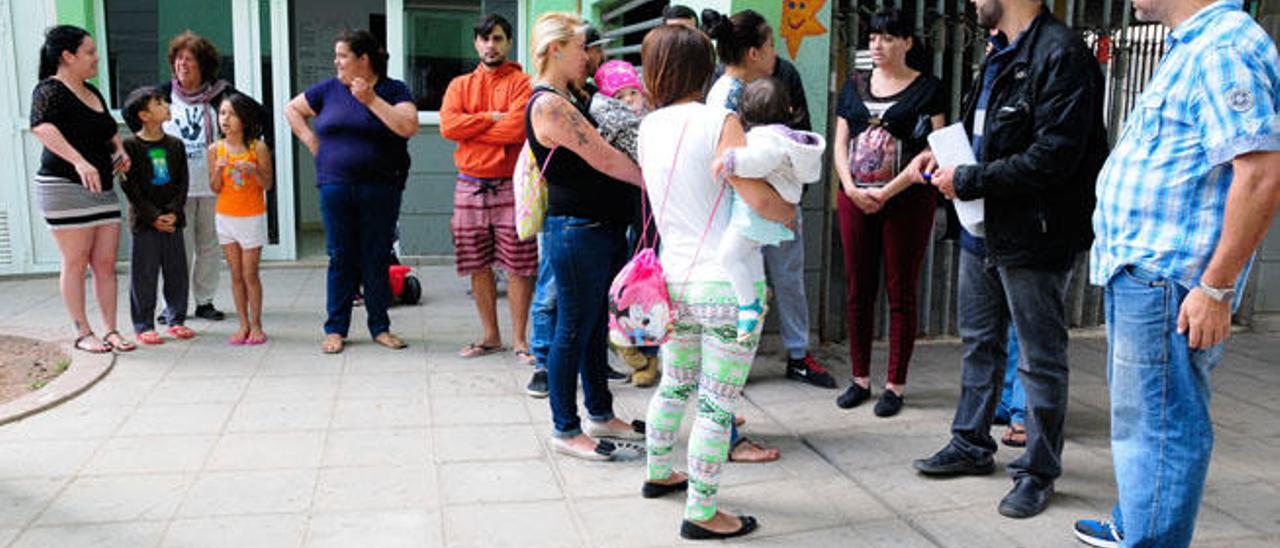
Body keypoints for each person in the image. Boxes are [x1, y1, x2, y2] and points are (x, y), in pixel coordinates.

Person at [1073, 0, 1279, 545]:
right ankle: (1138, 520)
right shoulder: (1195, 45)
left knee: (1159, 429)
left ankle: (1150, 537)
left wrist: (1215, 287)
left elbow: (1259, 174)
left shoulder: (1223, 48)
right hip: (1150, 272)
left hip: (1170, 279)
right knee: (1146, 421)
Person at [913, 0, 1109, 519]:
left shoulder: (1061, 55)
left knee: (1039, 359)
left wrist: (971, 179)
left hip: (1035, 234)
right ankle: (971, 441)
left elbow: (1055, 156)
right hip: (982, 228)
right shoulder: (998, 52)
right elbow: (988, 134)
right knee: (979, 343)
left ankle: (1038, 471)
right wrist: (947, 155)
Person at [638, 24, 796, 541]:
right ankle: (703, 510)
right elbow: (756, 198)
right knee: (715, 400)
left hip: (672, 280)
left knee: (675, 383)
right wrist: (789, 210)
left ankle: (660, 470)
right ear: (702, 66)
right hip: (727, 284)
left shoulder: (648, 127)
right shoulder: (720, 119)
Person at [525, 12, 646, 460]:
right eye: (581, 48)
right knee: (572, 328)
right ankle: (565, 427)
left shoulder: (574, 94)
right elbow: (606, 159)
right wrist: (655, 181)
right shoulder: (548, 105)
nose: (590, 57)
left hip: (600, 227)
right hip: (576, 231)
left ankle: (600, 412)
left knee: (594, 326)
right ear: (555, 50)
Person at [703, 8, 835, 390]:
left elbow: (796, 138)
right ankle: (734, 365)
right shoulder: (726, 97)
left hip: (771, 202)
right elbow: (735, 168)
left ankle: (794, 355)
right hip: (751, 209)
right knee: (745, 286)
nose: (776, 51)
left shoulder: (774, 78)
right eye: (770, 44)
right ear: (753, 53)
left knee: (784, 279)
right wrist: (778, 208)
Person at [832, 8, 946, 417]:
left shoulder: (929, 88)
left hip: (908, 201)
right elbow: (841, 141)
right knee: (858, 288)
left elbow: (935, 149)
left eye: (887, 37)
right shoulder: (855, 84)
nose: (877, 45)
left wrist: (888, 190)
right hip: (855, 199)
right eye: (873, 38)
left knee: (901, 290)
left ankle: (895, 384)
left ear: (907, 43)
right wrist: (848, 186)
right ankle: (859, 377)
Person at [285, 29, 418, 354]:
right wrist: (313, 142)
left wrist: (371, 100)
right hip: (335, 185)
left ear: (364, 59)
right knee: (341, 257)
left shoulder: (392, 89)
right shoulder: (328, 90)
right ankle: (336, 329)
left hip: (381, 186)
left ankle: (380, 327)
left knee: (376, 256)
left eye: (343, 55)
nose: (337, 62)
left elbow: (407, 126)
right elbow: (292, 109)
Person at [29, 25, 135, 354]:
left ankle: (112, 330)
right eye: (89, 52)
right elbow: (41, 127)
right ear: (67, 56)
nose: (96, 57)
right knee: (75, 261)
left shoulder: (93, 91)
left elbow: (106, 129)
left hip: (102, 187)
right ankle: (82, 332)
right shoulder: (49, 90)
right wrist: (78, 161)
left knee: (105, 263)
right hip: (64, 187)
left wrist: (119, 149)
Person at [440, 14, 538, 361]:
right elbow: (448, 126)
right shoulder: (459, 85)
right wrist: (488, 119)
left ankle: (521, 340)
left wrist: (474, 130)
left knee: (519, 264)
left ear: (508, 42)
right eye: (484, 39)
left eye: (497, 38)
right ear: (475, 43)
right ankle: (490, 335)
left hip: (511, 185)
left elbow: (515, 130)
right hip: (469, 184)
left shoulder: (523, 83)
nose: (490, 45)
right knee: (476, 263)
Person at [712, 78, 825, 341]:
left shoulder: (766, 138)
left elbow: (758, 161)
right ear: (787, 108)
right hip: (778, 209)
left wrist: (728, 161)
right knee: (747, 261)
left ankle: (749, 304)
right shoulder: (786, 137)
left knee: (728, 257)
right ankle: (754, 298)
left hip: (758, 214)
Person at [159, 31, 235, 323]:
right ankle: (173, 305)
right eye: (178, 59)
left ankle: (205, 301)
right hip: (177, 187)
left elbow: (247, 122)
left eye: (189, 60)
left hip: (213, 184)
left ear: (203, 65)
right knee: (179, 249)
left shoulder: (220, 97)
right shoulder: (163, 95)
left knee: (208, 246)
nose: (183, 65)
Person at [120, 86, 194, 345]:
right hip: (145, 223)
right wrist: (152, 216)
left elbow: (183, 183)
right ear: (144, 115)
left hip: (173, 220)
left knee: (177, 271)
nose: (166, 105)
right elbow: (131, 187)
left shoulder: (175, 145)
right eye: (159, 103)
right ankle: (143, 324)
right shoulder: (129, 146)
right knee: (144, 273)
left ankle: (176, 319)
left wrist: (174, 212)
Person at [210, 93, 272, 346]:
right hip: (225, 216)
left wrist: (254, 170)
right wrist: (218, 169)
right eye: (222, 113)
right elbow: (214, 187)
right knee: (235, 274)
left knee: (250, 274)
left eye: (232, 114)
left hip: (251, 217)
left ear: (244, 119)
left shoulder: (257, 147)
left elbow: (267, 183)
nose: (225, 119)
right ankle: (243, 324)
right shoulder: (215, 149)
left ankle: (257, 324)